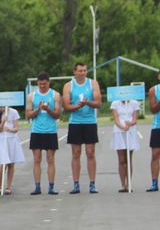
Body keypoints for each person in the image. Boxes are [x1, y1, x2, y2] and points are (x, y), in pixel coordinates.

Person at [62, 62, 102, 194]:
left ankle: (92, 183)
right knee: (76, 153)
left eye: (84, 70)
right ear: (74, 71)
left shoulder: (93, 84)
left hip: (90, 122)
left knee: (90, 152)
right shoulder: (69, 86)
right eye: (79, 71)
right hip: (75, 123)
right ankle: (76, 184)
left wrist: (87, 102)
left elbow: (98, 103)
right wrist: (78, 106)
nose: (82, 73)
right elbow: (66, 106)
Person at [26, 72, 61, 195]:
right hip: (37, 131)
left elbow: (57, 114)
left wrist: (48, 109)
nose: (42, 86)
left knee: (50, 159)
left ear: (48, 82)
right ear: (37, 83)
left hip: (50, 131)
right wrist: (38, 109)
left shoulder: (55, 95)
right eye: (40, 84)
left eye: (44, 84)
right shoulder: (32, 96)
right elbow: (27, 115)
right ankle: (37, 186)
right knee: (37, 159)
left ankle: (51, 186)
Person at [0, 107, 25, 195]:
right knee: (3, 163)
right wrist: (3, 121)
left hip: (12, 139)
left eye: (3, 106)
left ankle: (8, 187)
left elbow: (16, 128)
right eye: (0, 106)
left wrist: (9, 129)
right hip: (2, 140)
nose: (2, 108)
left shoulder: (14, 112)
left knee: (11, 164)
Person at [111, 98, 140, 192]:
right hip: (119, 131)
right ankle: (123, 184)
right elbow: (116, 119)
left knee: (128, 159)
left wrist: (130, 124)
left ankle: (129, 184)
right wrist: (123, 127)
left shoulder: (134, 103)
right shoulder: (115, 103)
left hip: (130, 131)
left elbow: (135, 119)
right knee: (121, 159)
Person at [148, 72, 160, 192]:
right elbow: (152, 109)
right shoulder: (153, 90)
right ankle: (154, 182)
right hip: (158, 126)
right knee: (155, 154)